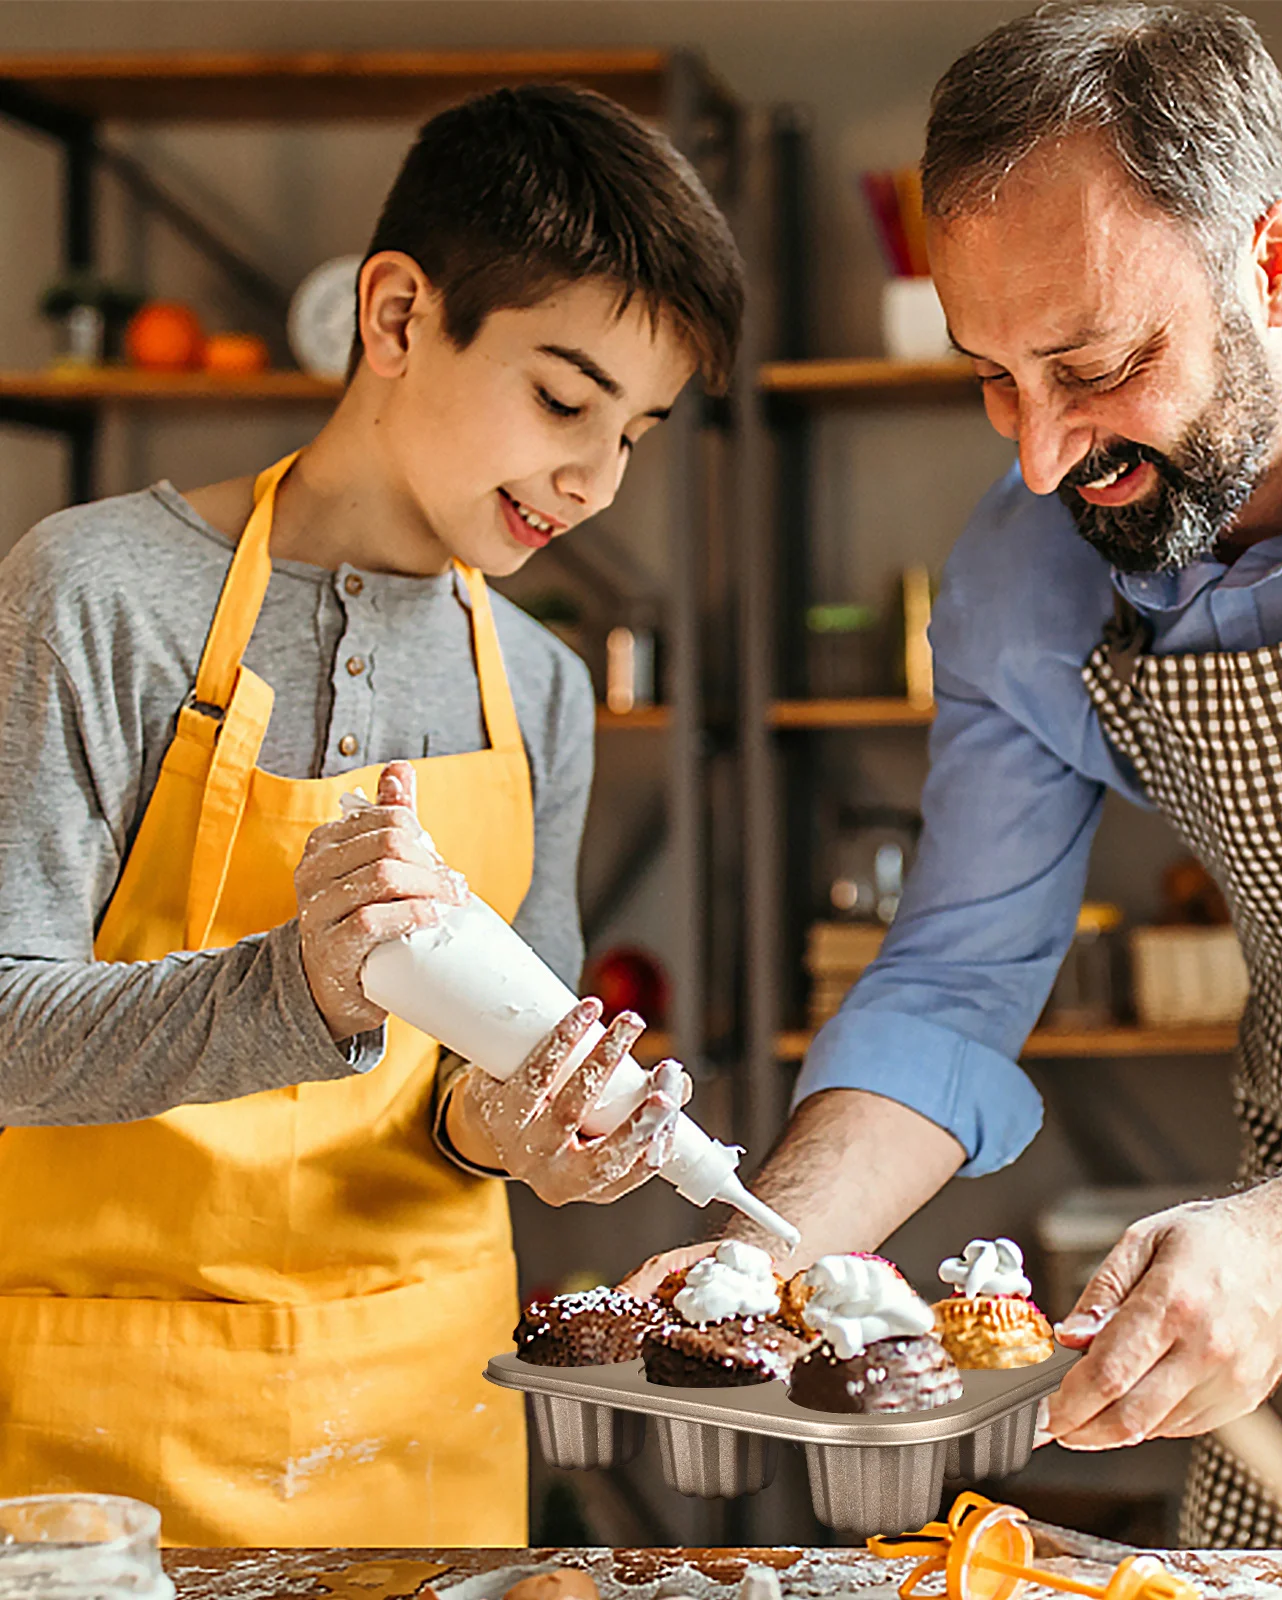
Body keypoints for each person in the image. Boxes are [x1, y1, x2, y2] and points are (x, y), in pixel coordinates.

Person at [628, 2, 1282, 1549]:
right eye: (993, 378)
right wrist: (767, 1247)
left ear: (1274, 261)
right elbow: (954, 982)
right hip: (1276, 1284)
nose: (1037, 457)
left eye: (1094, 365)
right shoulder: (1025, 573)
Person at [0, 83, 742, 1546]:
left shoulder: (540, 683)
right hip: (104, 1446)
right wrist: (298, 984)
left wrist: (525, 1131)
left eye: (638, 433)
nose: (594, 482)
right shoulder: (94, 598)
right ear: (398, 316)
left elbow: (468, 1099)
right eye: (563, 400)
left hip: (429, 1432)